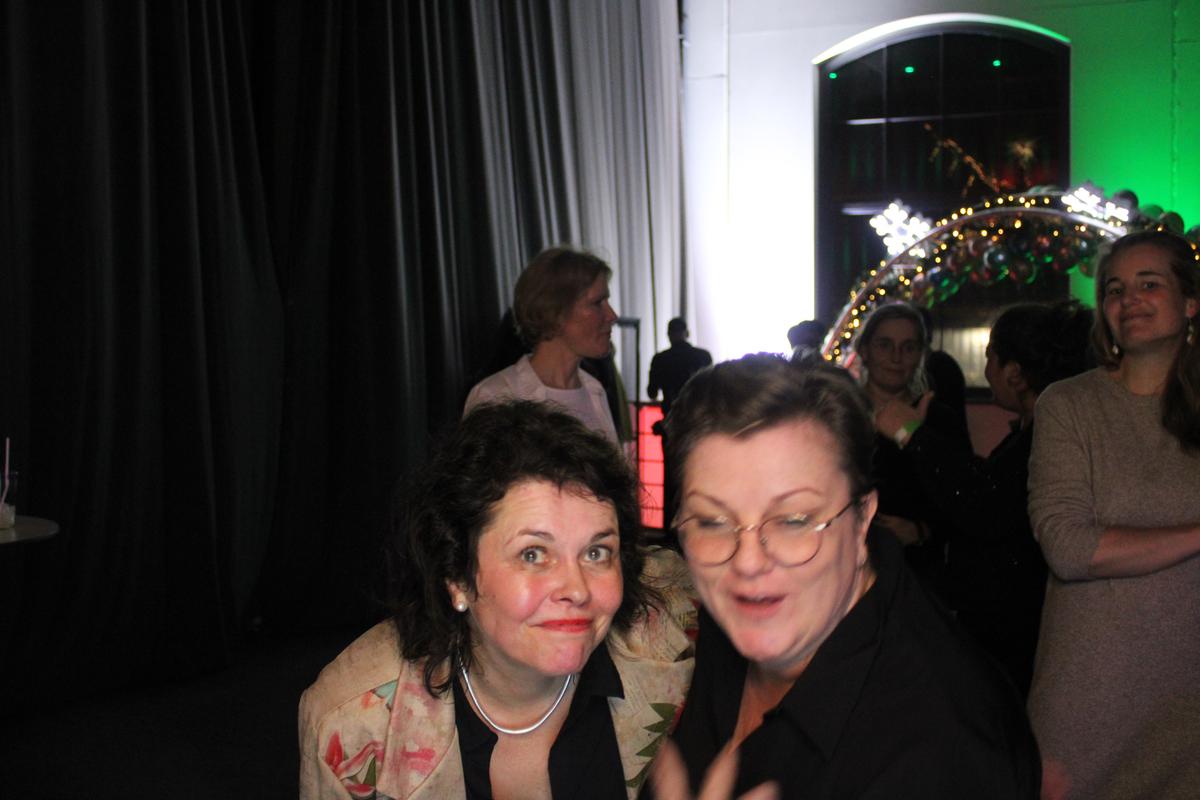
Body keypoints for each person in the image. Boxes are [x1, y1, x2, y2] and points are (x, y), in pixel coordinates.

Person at [647, 355, 1039, 798]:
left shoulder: (941, 754)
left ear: (862, 519)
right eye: (712, 522)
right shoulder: (735, 624)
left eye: (794, 520)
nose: (748, 562)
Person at [299, 401, 695, 799]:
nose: (577, 589)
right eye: (533, 554)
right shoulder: (352, 726)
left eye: (596, 552)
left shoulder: (677, 640)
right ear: (457, 577)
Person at [1027, 229, 1200, 799]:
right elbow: (1070, 548)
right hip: (1093, 693)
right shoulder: (1069, 405)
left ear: (1190, 301)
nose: (1129, 301)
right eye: (1115, 290)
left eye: (1149, 284)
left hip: (1189, 697)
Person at [873, 301, 1093, 695]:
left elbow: (984, 504)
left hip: (1010, 633)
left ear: (1015, 373)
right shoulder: (1030, 434)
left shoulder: (1046, 437)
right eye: (884, 345)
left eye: (991, 356)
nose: (896, 357)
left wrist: (912, 434)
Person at [854, 302, 971, 601]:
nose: (896, 357)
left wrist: (921, 531)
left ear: (920, 354)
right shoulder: (839, 412)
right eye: (885, 345)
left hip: (917, 576)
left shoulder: (939, 418)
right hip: (846, 570)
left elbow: (965, 498)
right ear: (864, 350)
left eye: (908, 347)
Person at [464, 247, 620, 444]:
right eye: (597, 303)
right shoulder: (496, 396)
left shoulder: (595, 392)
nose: (612, 315)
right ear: (555, 312)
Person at [648, 318, 713, 420]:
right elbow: (711, 389)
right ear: (687, 333)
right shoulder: (703, 356)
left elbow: (652, 393)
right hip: (698, 416)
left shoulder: (660, 359)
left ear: (669, 335)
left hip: (672, 416)